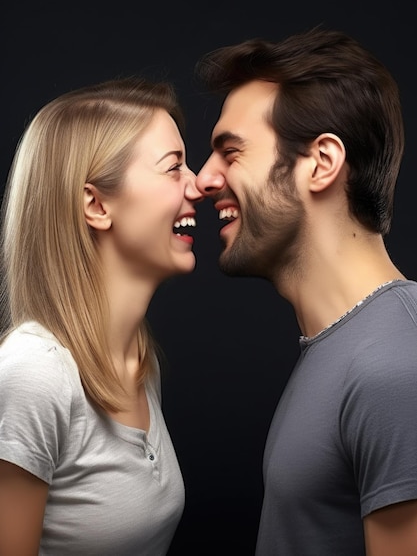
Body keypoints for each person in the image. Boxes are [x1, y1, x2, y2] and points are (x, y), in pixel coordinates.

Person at [194, 27, 417, 555]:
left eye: (230, 152)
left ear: (321, 163)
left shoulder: (395, 367)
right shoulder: (344, 347)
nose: (204, 179)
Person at [0, 76, 202, 555]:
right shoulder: (34, 375)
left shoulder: (139, 360)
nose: (200, 184)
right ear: (96, 204)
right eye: (174, 168)